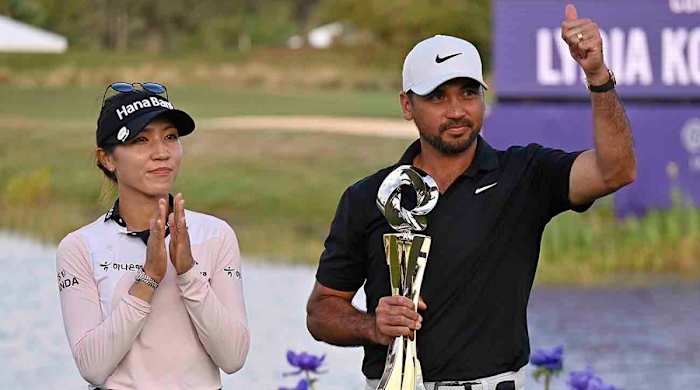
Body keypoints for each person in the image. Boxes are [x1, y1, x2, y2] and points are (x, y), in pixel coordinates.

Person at [306, 5, 635, 390]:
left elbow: (616, 170)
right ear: (407, 105)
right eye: (437, 97)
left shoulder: (524, 175)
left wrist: (597, 76)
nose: (457, 110)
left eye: (468, 92)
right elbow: (321, 311)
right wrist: (371, 325)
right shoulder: (368, 197)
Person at [56, 82, 250, 389]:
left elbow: (233, 357)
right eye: (140, 140)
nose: (162, 153)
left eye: (170, 137)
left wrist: (187, 274)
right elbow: (92, 368)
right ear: (107, 159)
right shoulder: (80, 247)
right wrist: (149, 278)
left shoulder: (216, 235)